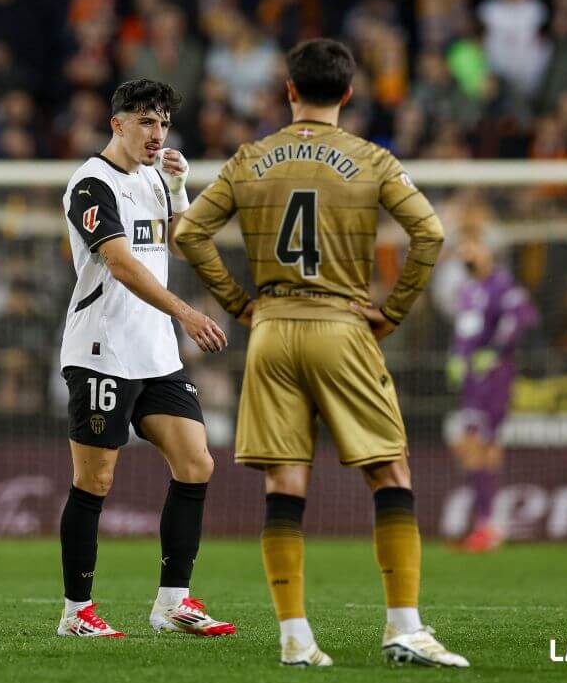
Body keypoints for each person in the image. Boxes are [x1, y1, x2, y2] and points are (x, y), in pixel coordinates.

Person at [175, 38, 468, 668]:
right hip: (341, 325)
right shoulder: (371, 158)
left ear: (288, 91)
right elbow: (431, 231)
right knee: (390, 472)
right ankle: (404, 628)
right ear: (349, 93)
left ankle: (295, 638)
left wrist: (240, 304)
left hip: (273, 330)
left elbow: (189, 231)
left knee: (285, 482)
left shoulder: (250, 158)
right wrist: (392, 311)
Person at [56, 79, 235, 639]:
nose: (157, 135)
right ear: (118, 124)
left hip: (155, 354)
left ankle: (173, 602)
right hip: (101, 350)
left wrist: (180, 191)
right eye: (145, 123)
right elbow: (123, 263)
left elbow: (176, 245)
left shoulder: (157, 178)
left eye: (162, 124)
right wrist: (187, 313)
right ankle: (75, 612)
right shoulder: (91, 183)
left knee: (197, 463)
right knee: (96, 480)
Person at [446, 233, 538, 552]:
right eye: (462, 247)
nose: (466, 252)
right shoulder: (468, 290)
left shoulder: (503, 285)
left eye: (471, 245)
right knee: (470, 445)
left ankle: (487, 524)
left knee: (481, 444)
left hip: (494, 376)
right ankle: (485, 523)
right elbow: (463, 330)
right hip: (472, 378)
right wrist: (456, 356)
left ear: (488, 250)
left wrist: (496, 351)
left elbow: (521, 319)